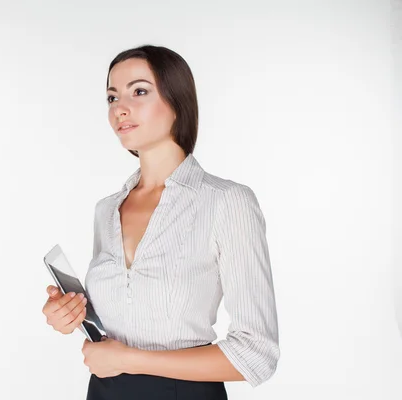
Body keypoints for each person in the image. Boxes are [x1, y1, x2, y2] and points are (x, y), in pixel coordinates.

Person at [41, 45, 280, 400]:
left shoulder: (226, 202)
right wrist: (71, 315)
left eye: (139, 91)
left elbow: (256, 355)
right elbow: (123, 319)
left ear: (177, 100)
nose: (119, 108)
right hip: (105, 393)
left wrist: (132, 360)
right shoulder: (106, 210)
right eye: (111, 97)